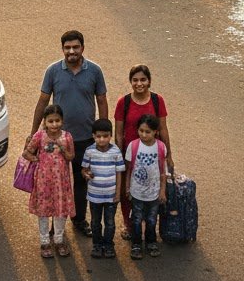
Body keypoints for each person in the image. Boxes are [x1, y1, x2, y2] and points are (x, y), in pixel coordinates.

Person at [30, 31, 108, 237]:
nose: (71, 51)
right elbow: (42, 101)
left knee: (81, 181)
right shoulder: (53, 71)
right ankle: (56, 226)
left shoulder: (95, 71)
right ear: (62, 49)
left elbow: (101, 101)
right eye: (67, 47)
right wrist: (33, 132)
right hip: (56, 141)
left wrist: (104, 133)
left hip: (85, 139)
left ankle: (79, 219)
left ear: (83, 48)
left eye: (75, 47)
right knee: (54, 184)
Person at [114, 65, 174, 239]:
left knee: (152, 186)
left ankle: (148, 224)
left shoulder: (157, 100)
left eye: (143, 80)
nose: (139, 84)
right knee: (127, 190)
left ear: (149, 81)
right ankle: (128, 223)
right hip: (130, 154)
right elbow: (119, 132)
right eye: (135, 80)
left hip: (153, 154)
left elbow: (163, 129)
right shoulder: (123, 102)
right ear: (130, 81)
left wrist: (169, 155)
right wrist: (119, 156)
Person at [23, 104, 76, 259]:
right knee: (44, 211)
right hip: (43, 181)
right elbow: (26, 153)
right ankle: (44, 241)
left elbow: (71, 156)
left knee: (61, 210)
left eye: (57, 121)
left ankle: (59, 239)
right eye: (50, 121)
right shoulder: (39, 136)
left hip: (61, 182)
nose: (54, 124)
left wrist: (63, 148)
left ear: (62, 121)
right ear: (45, 122)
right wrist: (37, 160)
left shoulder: (67, 137)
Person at [124, 115, 168, 260]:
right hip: (136, 192)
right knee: (136, 220)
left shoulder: (160, 147)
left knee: (151, 219)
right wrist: (127, 188)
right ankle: (136, 244)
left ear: (155, 132)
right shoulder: (133, 146)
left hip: (154, 193)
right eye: (141, 131)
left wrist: (162, 191)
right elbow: (129, 170)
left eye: (147, 132)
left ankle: (151, 242)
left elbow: (163, 172)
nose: (143, 134)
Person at [81, 118, 125, 259]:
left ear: (110, 135)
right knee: (95, 222)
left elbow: (119, 173)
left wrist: (118, 193)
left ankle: (108, 245)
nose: (102, 139)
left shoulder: (116, 151)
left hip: (111, 196)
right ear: (93, 136)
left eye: (105, 136)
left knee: (110, 222)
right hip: (94, 196)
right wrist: (86, 174)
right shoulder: (89, 151)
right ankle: (97, 245)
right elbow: (84, 169)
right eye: (98, 136)